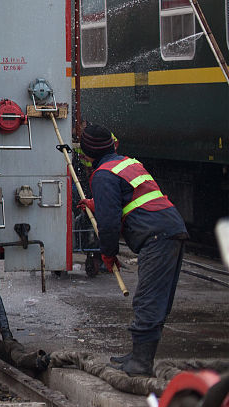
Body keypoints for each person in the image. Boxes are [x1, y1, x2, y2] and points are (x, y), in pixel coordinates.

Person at [77, 124, 187, 377]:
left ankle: (140, 363)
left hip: (157, 236)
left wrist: (108, 253)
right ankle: (138, 354)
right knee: (157, 298)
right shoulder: (126, 163)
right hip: (170, 227)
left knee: (148, 299)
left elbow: (109, 223)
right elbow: (133, 196)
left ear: (87, 153)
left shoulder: (102, 175)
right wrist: (98, 202)